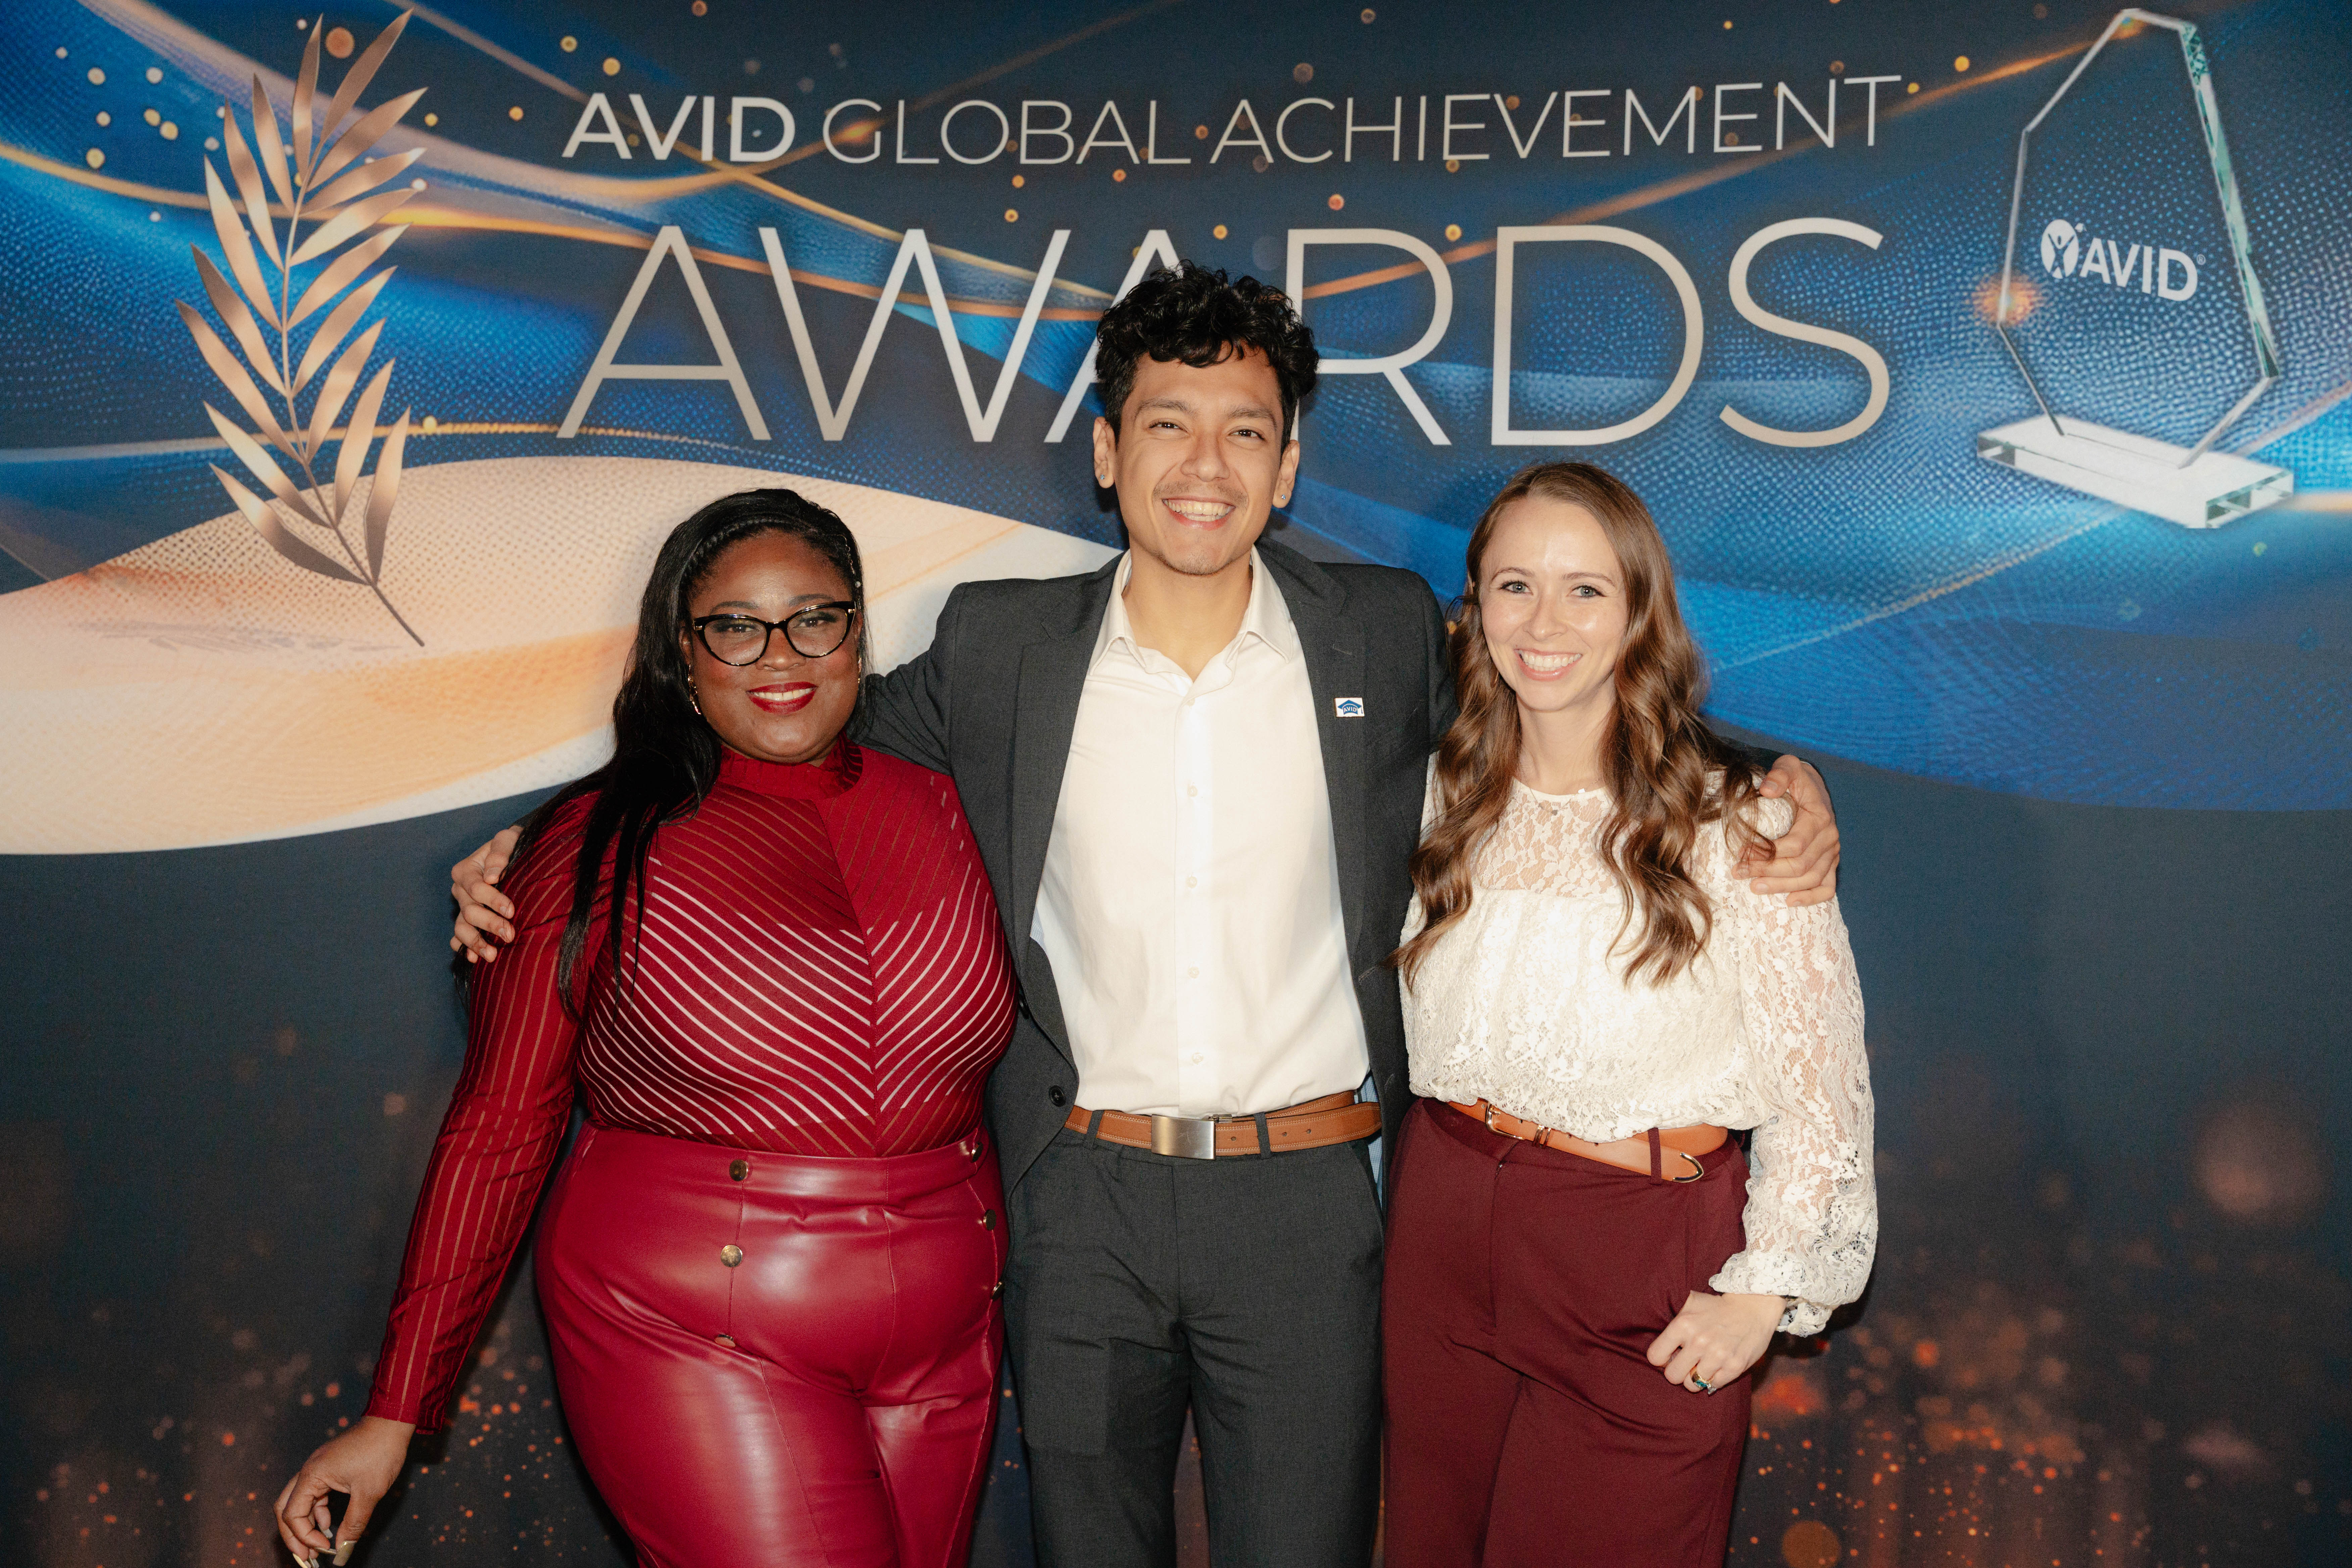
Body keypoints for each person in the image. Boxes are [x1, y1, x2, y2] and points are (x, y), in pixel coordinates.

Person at [448, 266, 1846, 1568]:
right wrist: (563, 830)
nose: (1206, 464)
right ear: (1110, 450)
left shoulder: (1380, 633)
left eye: (1247, 431)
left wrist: (1779, 783)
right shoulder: (1000, 647)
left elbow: (1575, 687)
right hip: (1079, 1196)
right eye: (1167, 423)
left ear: (1289, 466)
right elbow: (782, 737)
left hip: (1309, 1199)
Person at [275, 491, 1018, 1568]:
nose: (782, 654)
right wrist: (400, 1408)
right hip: (690, 1328)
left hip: (950, 1334)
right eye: (735, 625)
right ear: (683, 644)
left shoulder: (955, 808)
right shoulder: (590, 847)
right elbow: (500, 1126)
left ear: (860, 626)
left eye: (817, 616)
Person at [1378, 461, 1876, 1568]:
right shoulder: (1439, 795)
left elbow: (1821, 1084)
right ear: (1474, 609)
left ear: (1641, 610)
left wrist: (1766, 1289)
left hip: (1640, 1263)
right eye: (1514, 585)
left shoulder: (1743, 820)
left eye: (1585, 590)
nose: (1544, 622)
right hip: (1442, 1237)